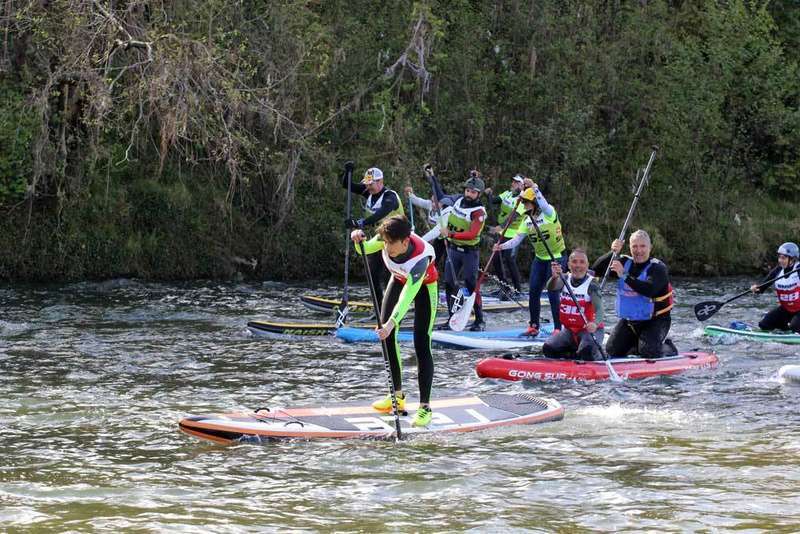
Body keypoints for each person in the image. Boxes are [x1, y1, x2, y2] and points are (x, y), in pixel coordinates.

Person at [351, 215, 438, 427]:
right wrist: (357, 240)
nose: (386, 246)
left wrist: (392, 323)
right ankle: (397, 398)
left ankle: (425, 407)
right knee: (386, 335)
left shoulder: (420, 259)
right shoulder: (387, 238)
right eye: (385, 242)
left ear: (405, 242)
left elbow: (407, 297)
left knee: (421, 342)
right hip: (398, 279)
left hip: (423, 288)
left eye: (390, 243)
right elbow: (364, 249)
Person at [493, 182, 566, 335]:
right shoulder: (527, 221)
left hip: (556, 258)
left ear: (534, 203)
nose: (524, 205)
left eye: (526, 202)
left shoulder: (549, 213)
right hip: (540, 259)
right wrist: (501, 246)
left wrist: (534, 188)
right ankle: (534, 326)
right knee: (533, 292)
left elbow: (543, 203)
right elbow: (516, 240)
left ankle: (558, 329)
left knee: (553, 293)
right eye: (524, 202)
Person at [591, 229, 677, 357]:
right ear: (630, 248)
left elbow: (649, 290)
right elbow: (595, 270)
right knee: (611, 351)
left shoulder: (658, 268)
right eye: (634, 246)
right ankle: (635, 346)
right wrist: (612, 253)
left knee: (648, 351)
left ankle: (668, 347)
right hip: (630, 321)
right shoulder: (624, 262)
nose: (639, 251)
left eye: (643, 246)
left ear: (650, 248)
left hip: (656, 321)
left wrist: (624, 276)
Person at [425, 171, 488, 331]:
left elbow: (472, 234)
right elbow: (440, 195)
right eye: (467, 190)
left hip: (469, 252)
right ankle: (452, 318)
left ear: (478, 194)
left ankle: (479, 320)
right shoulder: (459, 199)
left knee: (471, 284)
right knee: (449, 283)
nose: (469, 194)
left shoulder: (478, 212)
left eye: (473, 192)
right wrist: (432, 177)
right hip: (453, 250)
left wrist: (450, 234)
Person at [342, 163, 405, 305]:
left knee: (391, 276)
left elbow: (381, 213)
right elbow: (347, 185)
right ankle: (379, 307)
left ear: (381, 182)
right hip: (380, 238)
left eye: (371, 184)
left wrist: (360, 223)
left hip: (397, 240)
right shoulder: (368, 192)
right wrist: (348, 171)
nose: (368, 187)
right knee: (372, 275)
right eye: (367, 184)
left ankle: (393, 309)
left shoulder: (390, 196)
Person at [542, 249, 605, 360]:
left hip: (590, 331)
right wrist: (554, 277)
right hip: (570, 331)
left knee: (586, 353)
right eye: (574, 262)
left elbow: (599, 309)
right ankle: (572, 356)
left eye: (582, 262)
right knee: (548, 348)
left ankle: (598, 355)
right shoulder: (564, 278)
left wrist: (594, 324)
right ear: (569, 265)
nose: (578, 266)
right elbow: (551, 287)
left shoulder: (592, 284)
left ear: (587, 265)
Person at [484, 174, 526, 298]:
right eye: (513, 181)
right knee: (495, 258)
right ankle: (505, 287)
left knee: (509, 259)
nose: (513, 184)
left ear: (522, 185)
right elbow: (493, 201)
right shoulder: (507, 194)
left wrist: (501, 226)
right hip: (502, 233)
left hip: (515, 233)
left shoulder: (524, 198)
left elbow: (514, 216)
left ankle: (518, 290)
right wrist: (488, 194)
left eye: (516, 182)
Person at [750, 242, 800, 333]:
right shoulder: (778, 270)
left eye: (783, 258)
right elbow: (761, 288)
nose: (780, 260)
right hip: (786, 310)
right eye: (779, 257)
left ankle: (792, 328)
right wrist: (756, 289)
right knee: (764, 325)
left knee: (795, 327)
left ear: (792, 259)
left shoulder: (798, 269)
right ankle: (785, 328)